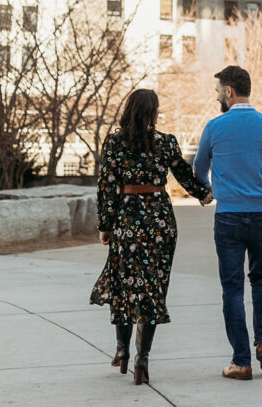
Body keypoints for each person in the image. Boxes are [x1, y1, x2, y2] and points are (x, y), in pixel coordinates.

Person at [90, 89, 212, 385]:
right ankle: (142, 359)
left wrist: (105, 225)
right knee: (153, 287)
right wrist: (203, 194)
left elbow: (106, 186)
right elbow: (183, 173)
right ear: (153, 112)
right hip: (159, 222)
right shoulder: (166, 142)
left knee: (123, 284)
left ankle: (122, 350)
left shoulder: (114, 142)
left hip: (126, 220)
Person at [193, 65, 262, 381]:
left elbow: (198, 169)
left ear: (229, 91)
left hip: (228, 217)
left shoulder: (214, 127)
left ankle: (241, 361)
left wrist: (205, 191)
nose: (217, 97)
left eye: (218, 92)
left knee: (232, 288)